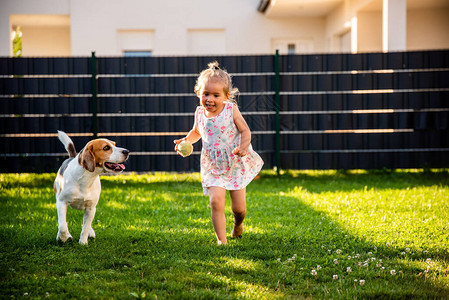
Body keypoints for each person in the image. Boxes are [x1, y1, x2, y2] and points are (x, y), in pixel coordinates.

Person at [174, 61, 264, 245]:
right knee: (216, 202)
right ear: (199, 93)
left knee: (239, 209)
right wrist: (185, 140)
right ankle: (221, 241)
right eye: (205, 94)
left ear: (226, 96)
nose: (210, 99)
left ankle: (238, 224)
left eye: (216, 95)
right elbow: (197, 132)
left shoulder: (231, 110)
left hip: (235, 162)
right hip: (213, 165)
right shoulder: (199, 113)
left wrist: (244, 147)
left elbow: (245, 131)